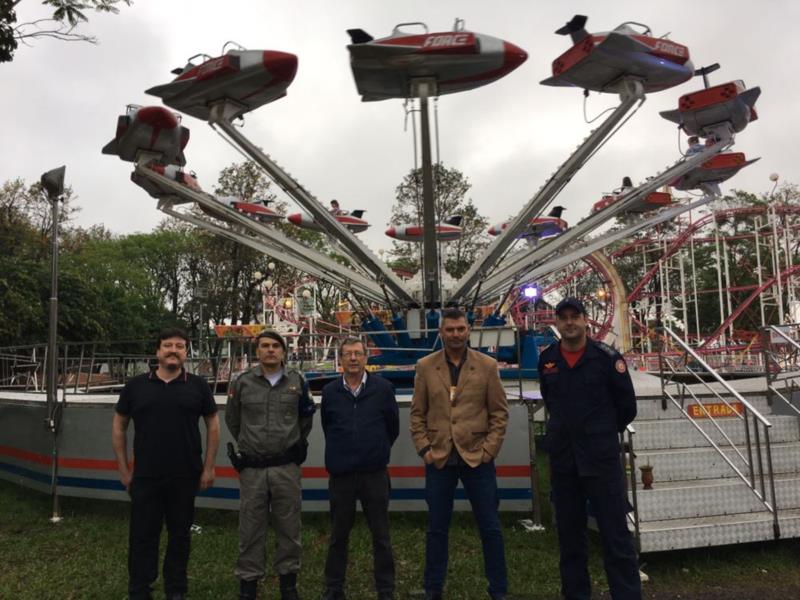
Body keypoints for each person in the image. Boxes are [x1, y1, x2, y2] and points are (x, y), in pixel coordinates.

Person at [538, 298, 640, 600]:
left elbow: (627, 407)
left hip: (601, 461)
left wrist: (601, 433)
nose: (570, 323)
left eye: (575, 317)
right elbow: (550, 401)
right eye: (564, 317)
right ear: (557, 322)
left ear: (586, 321)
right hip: (565, 462)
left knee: (615, 537)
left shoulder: (607, 358)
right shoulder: (548, 361)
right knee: (570, 539)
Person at [112, 327, 220, 600]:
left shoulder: (198, 386)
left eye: (180, 346)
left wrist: (209, 467)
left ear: (186, 352)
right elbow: (119, 426)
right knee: (142, 537)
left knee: (180, 536)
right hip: (146, 476)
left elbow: (213, 426)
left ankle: (176, 590)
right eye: (168, 345)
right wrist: (124, 469)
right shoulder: (136, 386)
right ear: (157, 351)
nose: (174, 350)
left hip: (185, 475)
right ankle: (139, 590)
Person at [410, 308, 509, 600]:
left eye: (460, 329)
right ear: (441, 332)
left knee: (490, 527)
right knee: (437, 528)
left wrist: (490, 449)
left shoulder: (487, 366)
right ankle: (433, 588)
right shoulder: (426, 366)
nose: (455, 334)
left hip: (477, 458)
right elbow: (417, 413)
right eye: (449, 330)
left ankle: (498, 590)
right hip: (439, 459)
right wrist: (425, 449)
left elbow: (499, 413)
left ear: (468, 331)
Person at [225, 330, 316, 600]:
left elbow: (305, 420)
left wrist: (290, 444)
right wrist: (251, 445)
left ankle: (288, 584)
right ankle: (248, 585)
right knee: (251, 528)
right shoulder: (242, 383)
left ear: (284, 352)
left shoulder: (297, 382)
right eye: (264, 346)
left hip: (285, 467)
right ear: (257, 352)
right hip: (252, 468)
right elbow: (233, 420)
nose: (270, 350)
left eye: (276, 346)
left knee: (289, 527)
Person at [319, 337, 399, 600]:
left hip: (374, 473)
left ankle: (385, 589)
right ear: (340, 359)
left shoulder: (384, 389)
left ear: (366, 357)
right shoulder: (330, 392)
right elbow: (328, 427)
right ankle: (334, 587)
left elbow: (392, 428)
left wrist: (375, 450)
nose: (353, 358)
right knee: (338, 536)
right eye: (347, 354)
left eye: (358, 354)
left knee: (381, 536)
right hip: (341, 475)